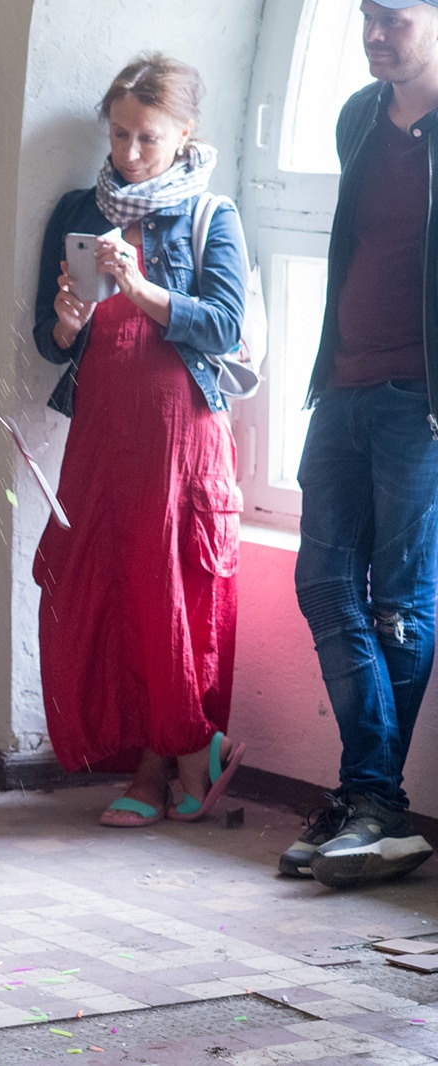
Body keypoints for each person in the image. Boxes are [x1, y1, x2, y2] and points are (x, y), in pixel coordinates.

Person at [31, 55, 247, 828]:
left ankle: (169, 762)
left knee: (168, 592)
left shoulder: (211, 214)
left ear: (185, 133)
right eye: (119, 135)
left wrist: (142, 288)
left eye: (147, 138)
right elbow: (47, 341)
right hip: (101, 428)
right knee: (101, 586)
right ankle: (174, 758)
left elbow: (225, 324)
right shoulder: (76, 211)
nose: (128, 153)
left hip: (180, 429)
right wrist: (68, 323)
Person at [281, 0, 438, 888]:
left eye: (395, 18)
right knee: (324, 583)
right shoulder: (357, 117)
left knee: (401, 603)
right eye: (366, 16)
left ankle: (367, 804)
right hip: (339, 386)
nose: (375, 34)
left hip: (421, 400)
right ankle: (375, 805)